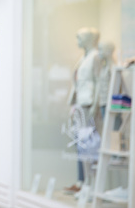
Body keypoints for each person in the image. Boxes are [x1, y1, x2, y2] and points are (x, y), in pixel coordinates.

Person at [65, 27, 101, 194]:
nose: (77, 41)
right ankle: (83, 181)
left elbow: (98, 80)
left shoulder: (95, 57)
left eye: (79, 37)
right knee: (81, 144)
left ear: (88, 39)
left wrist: (95, 103)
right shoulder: (84, 57)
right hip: (80, 103)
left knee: (89, 145)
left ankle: (90, 183)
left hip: (88, 104)